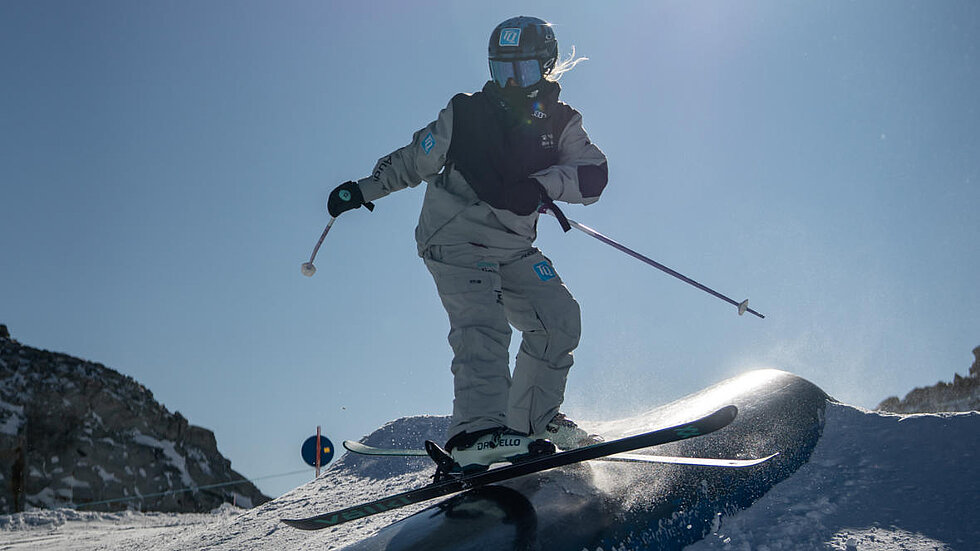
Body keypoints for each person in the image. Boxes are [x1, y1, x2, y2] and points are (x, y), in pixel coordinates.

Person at [326, 16, 608, 473]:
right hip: (455, 237)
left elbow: (593, 176)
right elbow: (413, 160)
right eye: (503, 73)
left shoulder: (561, 122)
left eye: (525, 73)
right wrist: (362, 189)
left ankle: (530, 426)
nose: (513, 84)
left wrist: (541, 186)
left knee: (558, 319)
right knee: (483, 324)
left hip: (512, 246)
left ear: (547, 68)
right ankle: (475, 433)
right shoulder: (466, 114)